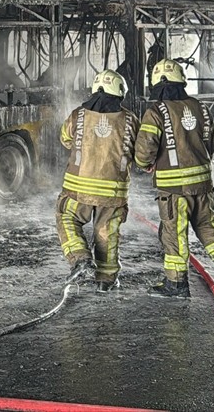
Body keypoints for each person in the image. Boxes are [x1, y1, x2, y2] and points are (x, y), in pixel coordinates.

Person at [134, 58, 214, 298]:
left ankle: (176, 284)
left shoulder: (156, 112)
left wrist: (146, 165)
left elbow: (144, 151)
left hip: (174, 189)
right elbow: (211, 142)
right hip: (203, 184)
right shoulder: (201, 107)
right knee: (206, 225)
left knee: (174, 233)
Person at [56, 69, 140, 291]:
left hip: (78, 188)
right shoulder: (130, 120)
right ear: (119, 92)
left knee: (67, 217)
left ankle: (80, 259)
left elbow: (65, 139)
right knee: (107, 233)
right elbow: (139, 153)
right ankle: (106, 281)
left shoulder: (78, 115)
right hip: (114, 192)